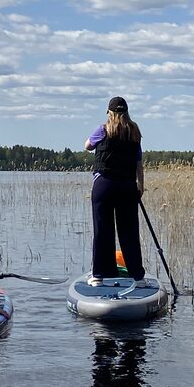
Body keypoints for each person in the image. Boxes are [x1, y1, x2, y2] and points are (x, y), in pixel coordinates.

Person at [84, 95, 145, 281]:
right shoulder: (134, 132)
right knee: (130, 232)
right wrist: (141, 185)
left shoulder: (103, 129)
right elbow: (138, 162)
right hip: (127, 185)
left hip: (104, 185)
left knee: (102, 230)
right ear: (126, 112)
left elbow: (87, 146)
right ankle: (137, 276)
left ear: (109, 113)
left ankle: (100, 275)